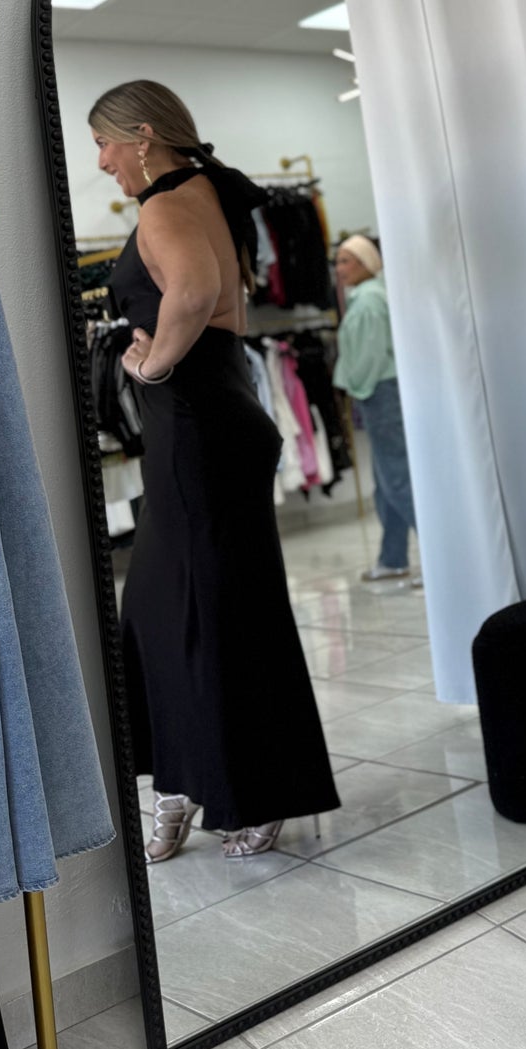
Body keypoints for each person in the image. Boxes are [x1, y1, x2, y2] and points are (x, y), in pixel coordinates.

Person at [90, 80, 340, 862]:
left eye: (103, 142)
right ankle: (189, 780)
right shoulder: (205, 193)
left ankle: (239, 789)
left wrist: (152, 366)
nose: (100, 162)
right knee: (180, 611)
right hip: (213, 423)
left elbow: (195, 291)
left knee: (203, 614)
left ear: (141, 135)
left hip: (198, 426)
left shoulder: (166, 204)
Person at [332, 234, 420, 587]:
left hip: (380, 392)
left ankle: (438, 555)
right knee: (386, 481)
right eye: (337, 261)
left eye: (346, 260)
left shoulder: (368, 301)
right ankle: (393, 557)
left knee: (396, 478)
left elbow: (368, 357)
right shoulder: (370, 296)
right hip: (381, 392)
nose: (339, 269)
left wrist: (355, 387)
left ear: (366, 263)